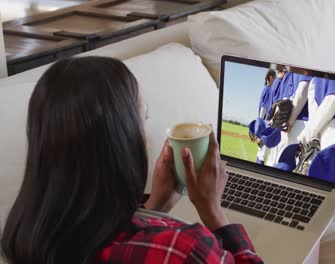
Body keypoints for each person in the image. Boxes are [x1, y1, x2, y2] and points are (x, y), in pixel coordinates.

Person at [0, 57, 263, 264]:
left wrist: (154, 206)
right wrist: (212, 209)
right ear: (122, 141)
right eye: (143, 119)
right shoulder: (185, 249)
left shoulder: (24, 235)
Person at [255, 69, 276, 164]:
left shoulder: (266, 89)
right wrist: (260, 130)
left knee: (261, 153)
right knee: (263, 154)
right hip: (265, 125)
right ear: (271, 77)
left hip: (263, 124)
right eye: (274, 78)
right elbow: (263, 109)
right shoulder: (268, 89)